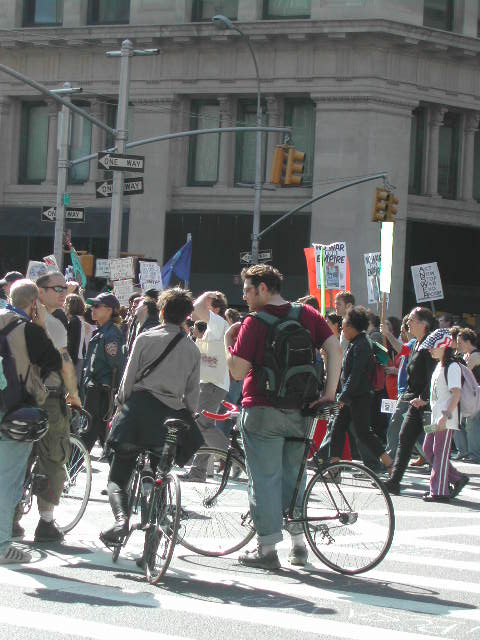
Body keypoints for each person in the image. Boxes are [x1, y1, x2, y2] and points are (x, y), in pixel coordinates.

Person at [225, 264, 342, 569]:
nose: (246, 298)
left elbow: (237, 371)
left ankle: (266, 550)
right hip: (301, 409)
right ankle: (299, 545)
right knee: (295, 475)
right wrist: (329, 393)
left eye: (248, 291)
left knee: (264, 479)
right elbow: (334, 347)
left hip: (262, 409)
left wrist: (229, 343)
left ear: (263, 288)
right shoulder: (306, 314)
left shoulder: (253, 322)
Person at [100, 287, 203, 545]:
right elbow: (192, 396)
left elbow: (128, 380)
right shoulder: (192, 349)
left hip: (137, 412)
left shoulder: (145, 338)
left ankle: (121, 521)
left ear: (162, 311)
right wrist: (190, 414)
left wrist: (120, 404)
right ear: (186, 317)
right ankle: (155, 531)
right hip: (168, 419)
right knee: (159, 477)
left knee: (117, 476)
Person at [0, 279, 62, 563]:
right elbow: (54, 362)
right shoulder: (28, 330)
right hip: (13, 410)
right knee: (8, 480)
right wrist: (39, 325)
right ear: (34, 303)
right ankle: (2, 546)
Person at [28, 272, 81, 542]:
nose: (63, 293)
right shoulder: (55, 324)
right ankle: (46, 522)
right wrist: (74, 395)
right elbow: (66, 365)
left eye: (64, 288)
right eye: (56, 288)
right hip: (48, 398)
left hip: (16, 397)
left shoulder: (12, 317)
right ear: (40, 290)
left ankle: (11, 519)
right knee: (53, 456)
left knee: (18, 458)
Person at [329, 306, 393, 471]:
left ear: (351, 327)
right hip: (353, 396)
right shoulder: (357, 342)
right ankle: (333, 468)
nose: (342, 330)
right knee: (338, 429)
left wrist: (343, 396)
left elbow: (356, 374)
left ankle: (389, 463)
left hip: (359, 397)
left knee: (363, 433)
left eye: (344, 327)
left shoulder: (362, 344)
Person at [384, 307, 437, 495]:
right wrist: (388, 335)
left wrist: (424, 398)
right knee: (407, 439)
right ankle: (394, 481)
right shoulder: (415, 343)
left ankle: (452, 475)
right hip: (412, 398)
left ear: (424, 324)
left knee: (424, 440)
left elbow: (432, 374)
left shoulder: (430, 345)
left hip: (422, 402)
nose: (408, 323)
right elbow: (402, 350)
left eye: (413, 320)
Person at [180, 290, 230, 482]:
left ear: (215, 308)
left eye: (208, 306)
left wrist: (206, 295)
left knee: (201, 424)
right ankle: (198, 471)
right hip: (210, 382)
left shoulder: (218, 323)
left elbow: (196, 308)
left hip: (213, 383)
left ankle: (232, 454)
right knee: (202, 425)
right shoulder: (213, 327)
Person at [422, 329, 469, 501]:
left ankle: (439, 491)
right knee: (428, 449)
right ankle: (456, 478)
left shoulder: (453, 366)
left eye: (432, 347)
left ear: (443, 346)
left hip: (445, 419)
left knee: (439, 453)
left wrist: (445, 416)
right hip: (437, 417)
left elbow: (456, 393)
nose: (430, 350)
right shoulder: (440, 365)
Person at [80, 293, 126, 453]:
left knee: (87, 435)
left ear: (109, 310)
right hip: (94, 392)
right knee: (100, 438)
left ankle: (70, 473)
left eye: (97, 306)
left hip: (101, 393)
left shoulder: (111, 334)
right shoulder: (102, 331)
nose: (92, 309)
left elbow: (117, 365)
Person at [456, 327, 480, 463]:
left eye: (460, 342)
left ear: (468, 341)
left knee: (472, 424)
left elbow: (464, 374)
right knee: (464, 424)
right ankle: (466, 452)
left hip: (475, 396)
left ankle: (474, 455)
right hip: (469, 395)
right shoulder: (466, 355)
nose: (458, 345)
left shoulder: (475, 356)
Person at [65, 293, 91, 382]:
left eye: (66, 302)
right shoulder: (79, 319)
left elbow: (73, 343)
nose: (64, 305)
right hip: (80, 357)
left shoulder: (74, 321)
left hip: (75, 359)